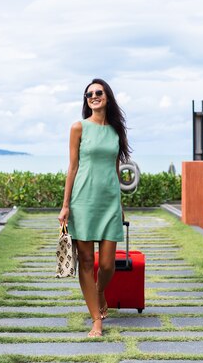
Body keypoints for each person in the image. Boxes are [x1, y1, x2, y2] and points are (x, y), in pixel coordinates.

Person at [58, 78, 131, 337]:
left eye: (98, 93)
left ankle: (99, 292)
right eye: (89, 94)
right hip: (83, 202)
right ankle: (96, 321)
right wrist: (65, 205)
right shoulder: (78, 128)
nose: (94, 96)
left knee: (108, 264)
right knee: (87, 261)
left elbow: (114, 168)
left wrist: (119, 202)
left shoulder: (115, 131)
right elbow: (73, 167)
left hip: (109, 202)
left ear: (107, 97)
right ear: (86, 100)